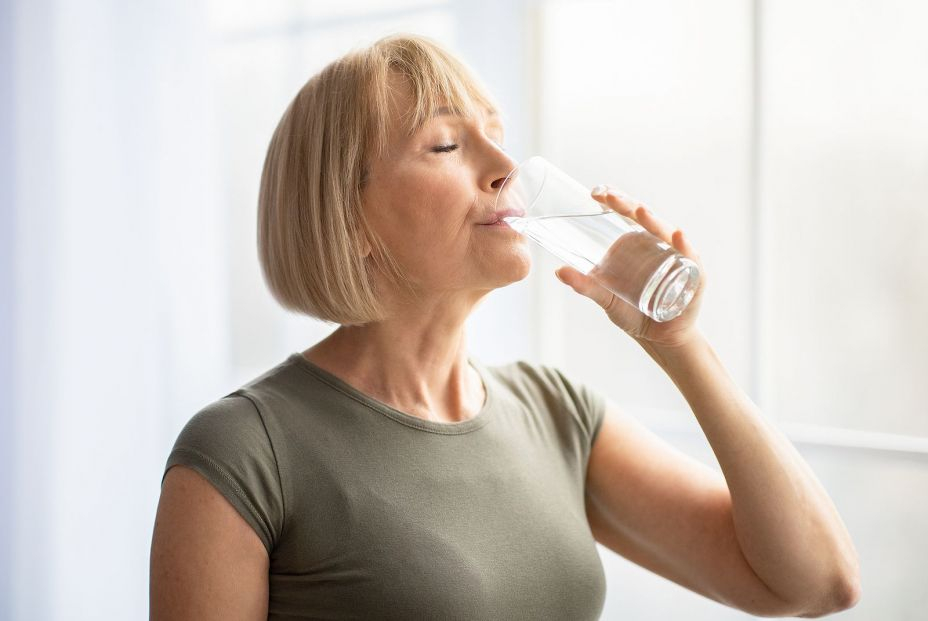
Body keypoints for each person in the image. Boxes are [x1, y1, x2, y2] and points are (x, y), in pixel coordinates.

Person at [150, 33, 860, 620]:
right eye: (444, 146)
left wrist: (681, 346)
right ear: (351, 217)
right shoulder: (245, 450)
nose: (504, 168)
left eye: (495, 134)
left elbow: (816, 582)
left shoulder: (555, 412)